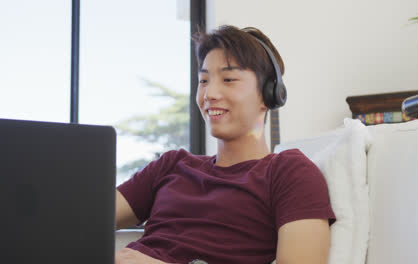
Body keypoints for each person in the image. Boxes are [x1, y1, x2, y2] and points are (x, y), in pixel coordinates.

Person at [115, 25, 336, 264]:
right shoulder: (171, 165)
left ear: (269, 93)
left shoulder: (289, 173)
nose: (209, 93)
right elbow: (83, 216)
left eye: (228, 79)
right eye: (203, 80)